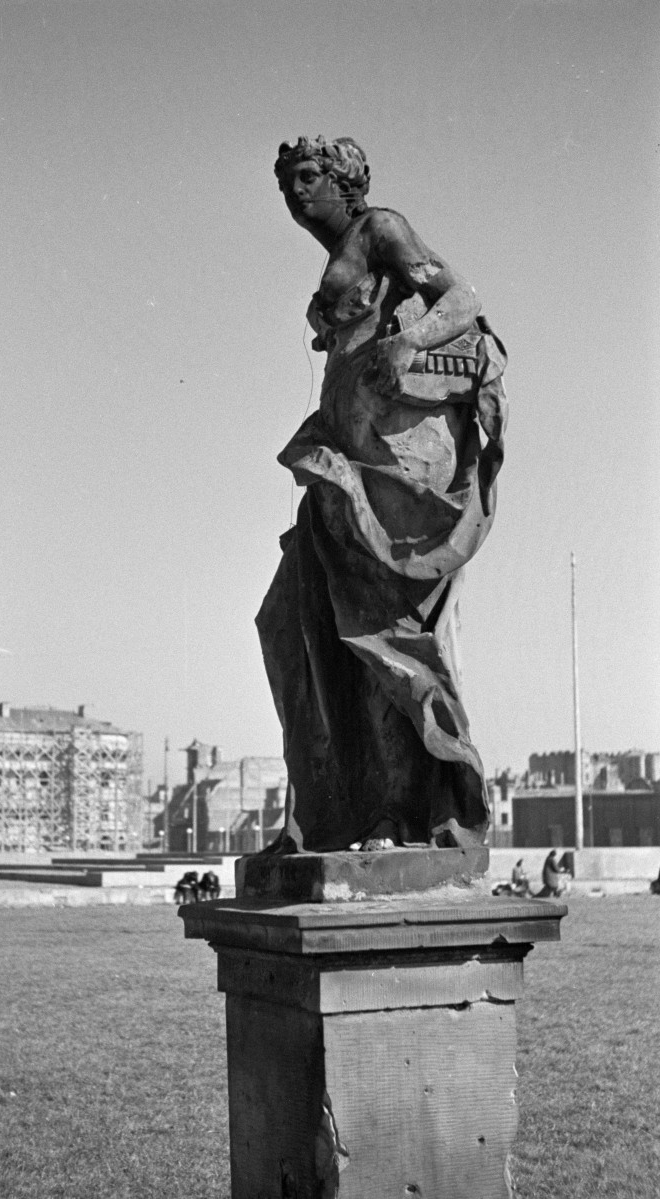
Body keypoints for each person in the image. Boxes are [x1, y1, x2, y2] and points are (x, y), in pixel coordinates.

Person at [256, 136, 507, 853]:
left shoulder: (381, 228)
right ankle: (325, 814)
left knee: (379, 641)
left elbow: (462, 298)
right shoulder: (341, 254)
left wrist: (411, 340)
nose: (293, 193)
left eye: (307, 178)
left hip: (389, 469)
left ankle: (395, 815)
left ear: (345, 183)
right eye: (285, 182)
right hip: (343, 457)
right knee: (290, 620)